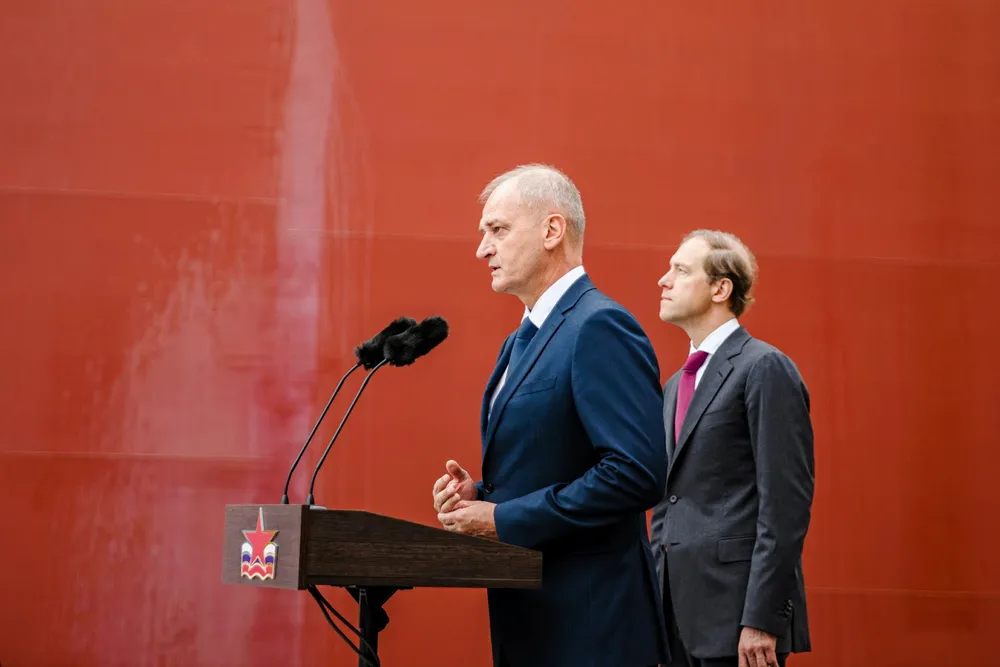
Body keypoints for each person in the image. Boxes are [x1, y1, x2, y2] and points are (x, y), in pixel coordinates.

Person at [432, 164, 669, 667]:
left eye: (497, 229)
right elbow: (556, 462)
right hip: (530, 621)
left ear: (552, 230)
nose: (482, 249)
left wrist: (503, 518)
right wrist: (481, 496)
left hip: (591, 630)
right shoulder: (517, 341)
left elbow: (636, 473)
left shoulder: (600, 326)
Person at [650, 229, 815, 667]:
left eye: (680, 270)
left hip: (739, 622)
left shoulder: (764, 367)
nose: (663, 280)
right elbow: (670, 499)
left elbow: (785, 505)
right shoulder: (675, 385)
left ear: (720, 288)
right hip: (676, 619)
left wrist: (762, 618)